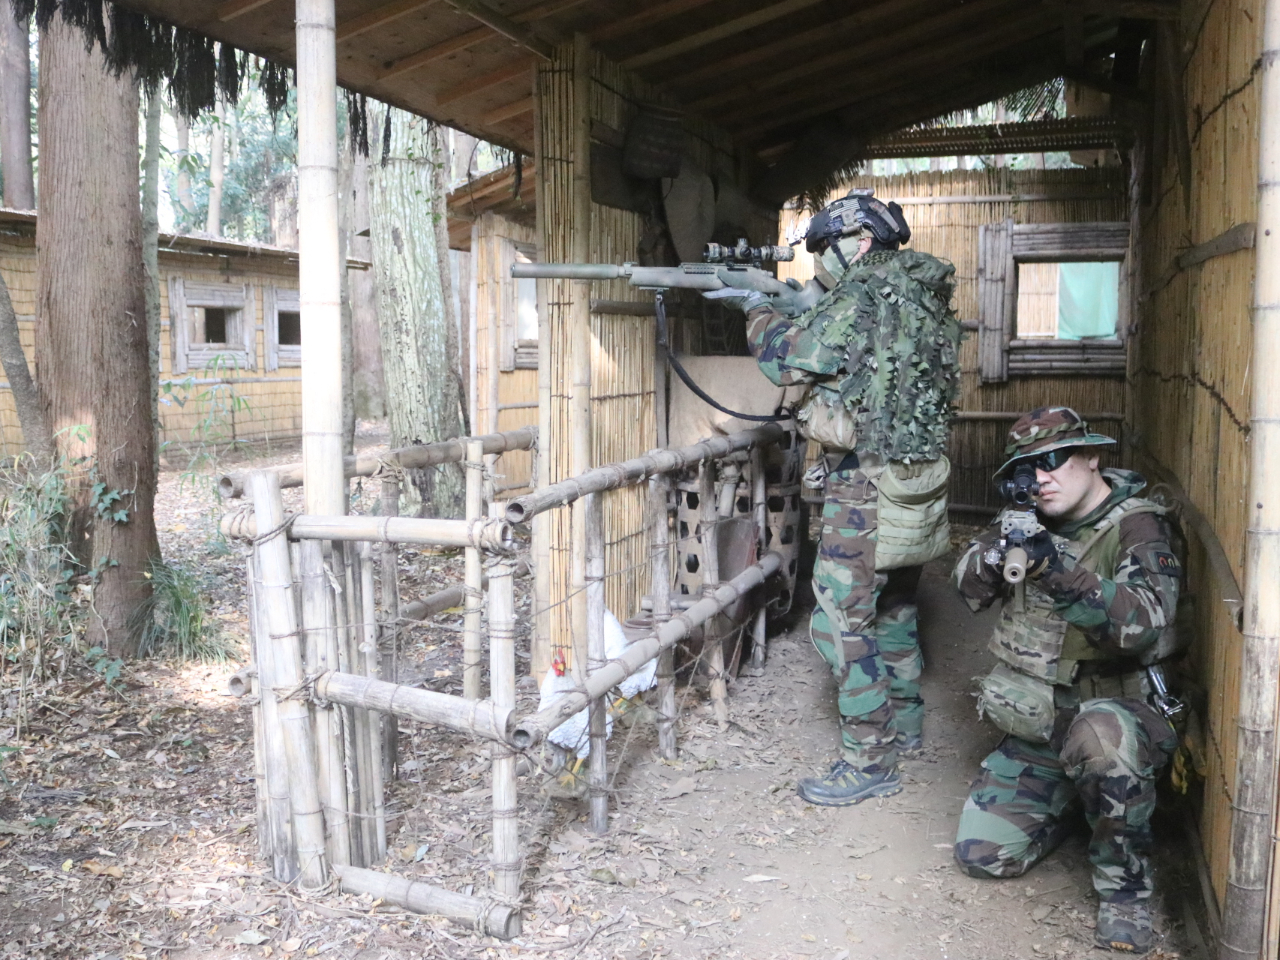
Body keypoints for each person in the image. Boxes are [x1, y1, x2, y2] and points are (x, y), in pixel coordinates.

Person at [705, 188, 962, 806]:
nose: (821, 260)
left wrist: (756, 310)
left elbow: (789, 363)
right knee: (896, 606)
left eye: (827, 247)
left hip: (866, 483)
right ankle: (905, 723)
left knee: (842, 622)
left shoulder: (864, 294)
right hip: (916, 480)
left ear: (862, 241)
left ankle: (870, 760)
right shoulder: (921, 294)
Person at [951, 407, 1182, 954]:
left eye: (1053, 461)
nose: (1042, 478)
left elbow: (1139, 628)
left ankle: (1125, 890)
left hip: (1119, 715)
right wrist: (990, 556)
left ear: (1092, 457)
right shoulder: (1030, 518)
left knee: (1101, 741)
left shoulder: (1137, 525)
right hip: (1041, 721)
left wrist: (1054, 567)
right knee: (983, 856)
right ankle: (1082, 806)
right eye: (1027, 469)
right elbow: (967, 590)